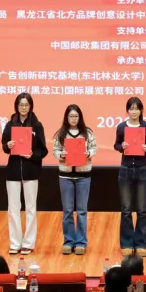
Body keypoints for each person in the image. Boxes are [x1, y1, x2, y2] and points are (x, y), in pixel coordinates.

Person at [1, 92, 48, 255]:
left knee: (31, 208)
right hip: (13, 171)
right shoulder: (10, 125)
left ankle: (28, 243)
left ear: (31, 106)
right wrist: (8, 145)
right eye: (21, 105)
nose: (23, 108)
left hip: (31, 171)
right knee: (13, 208)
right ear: (16, 106)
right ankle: (15, 243)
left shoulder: (37, 125)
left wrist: (32, 155)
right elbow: (4, 145)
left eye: (26, 105)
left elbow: (43, 150)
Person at [52, 103, 98, 255]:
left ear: (80, 117)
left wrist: (88, 153)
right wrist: (61, 155)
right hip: (65, 176)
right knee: (67, 210)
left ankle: (81, 242)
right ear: (66, 117)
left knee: (82, 211)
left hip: (83, 176)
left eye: (76, 116)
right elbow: (55, 150)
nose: (73, 118)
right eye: (71, 116)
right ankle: (69, 241)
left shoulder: (87, 133)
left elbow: (94, 148)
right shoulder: (61, 133)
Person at [114, 96, 146, 256]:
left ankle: (140, 244)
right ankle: (126, 243)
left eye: (136, 108)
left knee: (142, 209)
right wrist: (121, 146)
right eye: (131, 109)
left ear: (141, 110)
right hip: (125, 169)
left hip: (141, 169)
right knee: (126, 209)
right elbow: (116, 144)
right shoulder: (121, 127)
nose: (134, 111)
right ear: (127, 110)